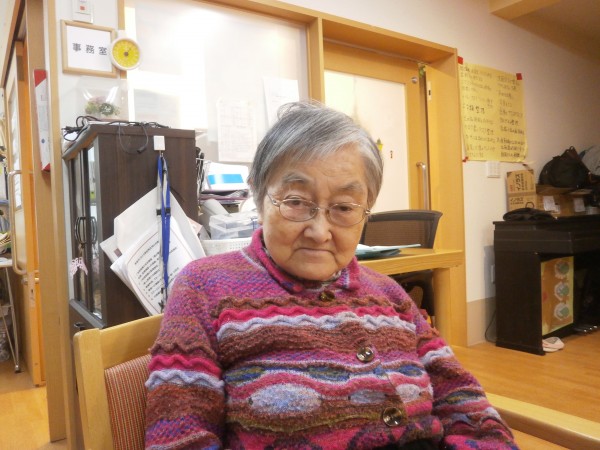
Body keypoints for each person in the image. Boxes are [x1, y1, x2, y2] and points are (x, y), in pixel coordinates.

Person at [145, 101, 517, 450]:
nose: (320, 232)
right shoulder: (205, 287)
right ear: (258, 196)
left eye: (343, 207)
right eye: (295, 202)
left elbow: (462, 398)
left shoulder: (389, 294)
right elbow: (180, 436)